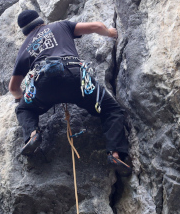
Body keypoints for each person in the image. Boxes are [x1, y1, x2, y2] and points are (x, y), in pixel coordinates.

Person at [8, 9, 132, 175]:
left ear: (25, 32)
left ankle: (32, 135)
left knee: (24, 109)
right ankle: (115, 154)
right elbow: (96, 26)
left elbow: (13, 88)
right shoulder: (60, 26)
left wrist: (22, 99)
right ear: (41, 21)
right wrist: (110, 32)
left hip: (44, 85)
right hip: (74, 78)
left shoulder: (24, 49)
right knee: (111, 110)